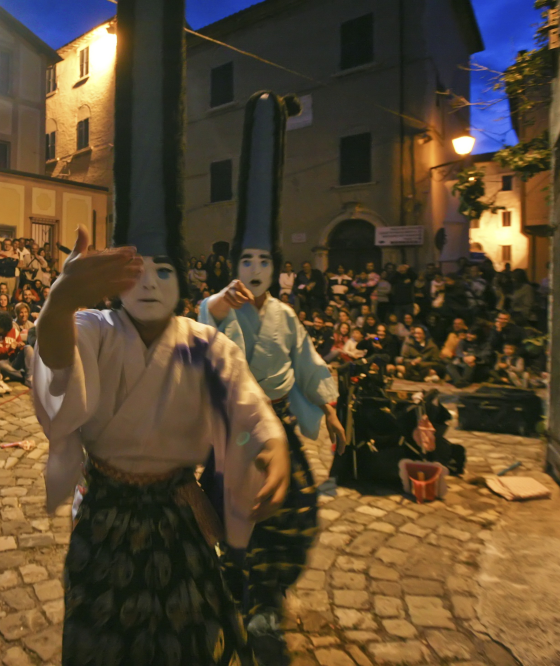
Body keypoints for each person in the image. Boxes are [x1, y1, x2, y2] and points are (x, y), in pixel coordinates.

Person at [35, 10, 291, 660]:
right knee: (101, 645)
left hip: (178, 513)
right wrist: (61, 299)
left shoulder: (203, 343)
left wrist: (271, 446)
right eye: (136, 270)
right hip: (108, 510)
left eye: (164, 271)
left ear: (183, 282)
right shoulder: (92, 327)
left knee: (180, 641)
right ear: (116, 280)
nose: (150, 282)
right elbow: (60, 389)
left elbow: (243, 410)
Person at [199, 92, 347, 662]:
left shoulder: (285, 316)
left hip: (280, 428)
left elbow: (308, 363)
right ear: (232, 266)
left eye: (263, 261)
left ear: (276, 268)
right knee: (233, 516)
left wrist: (327, 403)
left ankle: (265, 599)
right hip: (234, 431)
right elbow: (194, 342)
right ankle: (232, 592)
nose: (254, 271)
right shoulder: (218, 309)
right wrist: (211, 308)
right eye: (245, 261)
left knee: (295, 518)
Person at [0, 311, 33, 387]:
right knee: (1, 365)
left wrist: (20, 346)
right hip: (0, 363)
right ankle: (24, 377)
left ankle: (29, 377)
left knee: (28, 348)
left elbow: (20, 347)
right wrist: (8, 349)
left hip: (14, 360)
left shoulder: (14, 331)